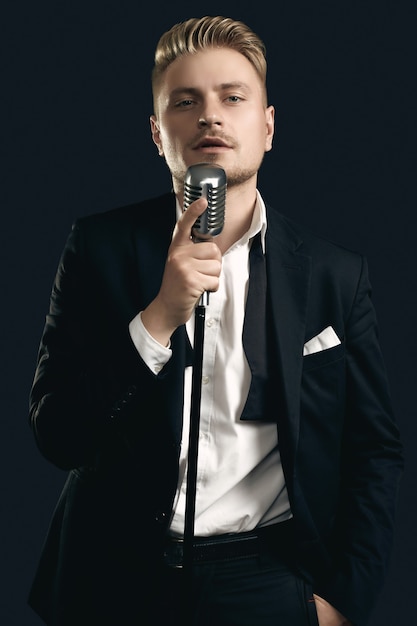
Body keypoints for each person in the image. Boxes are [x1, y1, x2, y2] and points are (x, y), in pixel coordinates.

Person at [28, 15, 403, 626]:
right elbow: (57, 434)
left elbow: (375, 452)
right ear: (157, 132)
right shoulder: (98, 249)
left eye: (233, 97)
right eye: (186, 101)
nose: (210, 116)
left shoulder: (337, 274)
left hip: (267, 577)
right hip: (115, 579)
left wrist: (342, 601)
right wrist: (158, 318)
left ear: (268, 125)